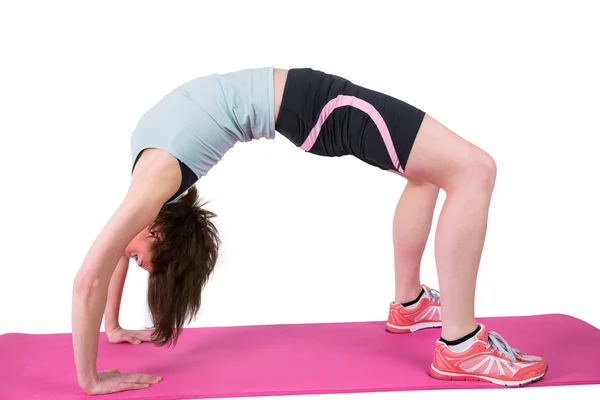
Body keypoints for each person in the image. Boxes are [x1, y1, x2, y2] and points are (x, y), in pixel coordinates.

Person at [72, 67, 548, 395]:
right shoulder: (153, 188)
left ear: (155, 231)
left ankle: (411, 306)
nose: (131, 261)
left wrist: (102, 349)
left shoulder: (153, 185)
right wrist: (101, 349)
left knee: (435, 172)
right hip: (312, 107)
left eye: (140, 263)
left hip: (315, 105)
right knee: (474, 170)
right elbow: (105, 262)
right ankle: (460, 346)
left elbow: (91, 274)